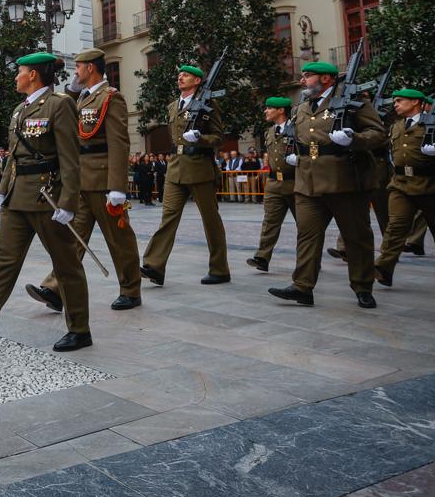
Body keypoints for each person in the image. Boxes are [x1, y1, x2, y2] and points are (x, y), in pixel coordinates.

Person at [0, 51, 91, 353]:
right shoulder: (18, 110)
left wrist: (68, 202)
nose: (16, 76)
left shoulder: (59, 105)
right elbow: (14, 158)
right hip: (16, 198)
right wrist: (0, 193)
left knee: (66, 265)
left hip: (46, 198)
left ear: (33, 74)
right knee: (4, 263)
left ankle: (80, 329)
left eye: (19, 71)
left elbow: (70, 159)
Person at [25, 47, 142, 313]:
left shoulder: (111, 98)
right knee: (72, 238)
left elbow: (119, 143)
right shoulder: (80, 99)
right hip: (81, 180)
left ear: (90, 68)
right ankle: (55, 289)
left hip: (102, 180)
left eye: (78, 66)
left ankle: (130, 289)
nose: (75, 71)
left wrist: (117, 187)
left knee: (118, 238)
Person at [269, 61, 385, 309]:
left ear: (326, 79)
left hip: (344, 179)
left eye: (308, 75)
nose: (303, 80)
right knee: (307, 235)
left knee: (356, 238)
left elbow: (378, 133)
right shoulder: (301, 108)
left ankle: (363, 286)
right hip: (308, 181)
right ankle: (302, 287)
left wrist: (354, 139)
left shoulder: (353, 102)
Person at [140, 64, 230, 286]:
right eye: (179, 74)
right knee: (168, 218)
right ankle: (154, 266)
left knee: (210, 220)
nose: (180, 77)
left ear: (198, 81)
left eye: (186, 74)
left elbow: (218, 137)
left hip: (200, 167)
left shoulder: (209, 105)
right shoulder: (173, 106)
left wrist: (200, 138)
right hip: (175, 167)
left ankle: (219, 268)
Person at [371, 88, 435, 289]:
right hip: (401, 184)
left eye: (400, 100)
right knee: (395, 227)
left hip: (432, 185)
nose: (395, 104)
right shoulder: (397, 126)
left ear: (415, 102)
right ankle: (384, 268)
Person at [247, 98, 297, 272]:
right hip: (274, 182)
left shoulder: (296, 129)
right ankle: (262, 257)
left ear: (281, 110)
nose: (265, 111)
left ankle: (311, 259)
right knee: (270, 222)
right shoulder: (269, 132)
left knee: (305, 225)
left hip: (295, 182)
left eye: (269, 108)